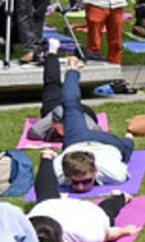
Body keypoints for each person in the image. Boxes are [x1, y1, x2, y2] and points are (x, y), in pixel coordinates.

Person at [26, 148, 139, 242]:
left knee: (106, 213)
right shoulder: (21, 234)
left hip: (84, 213)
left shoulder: (88, 235)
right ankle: (46, 157)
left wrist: (125, 231)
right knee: (45, 193)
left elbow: (109, 234)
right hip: (48, 208)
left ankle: (120, 196)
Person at [41, 54, 136, 186]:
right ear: (67, 176)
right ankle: (72, 70)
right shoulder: (116, 175)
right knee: (70, 106)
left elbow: (44, 174)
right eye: (74, 182)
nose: (80, 188)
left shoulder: (114, 174)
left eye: (86, 181)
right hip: (103, 142)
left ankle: (73, 70)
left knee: (71, 106)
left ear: (95, 171)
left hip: (80, 139)